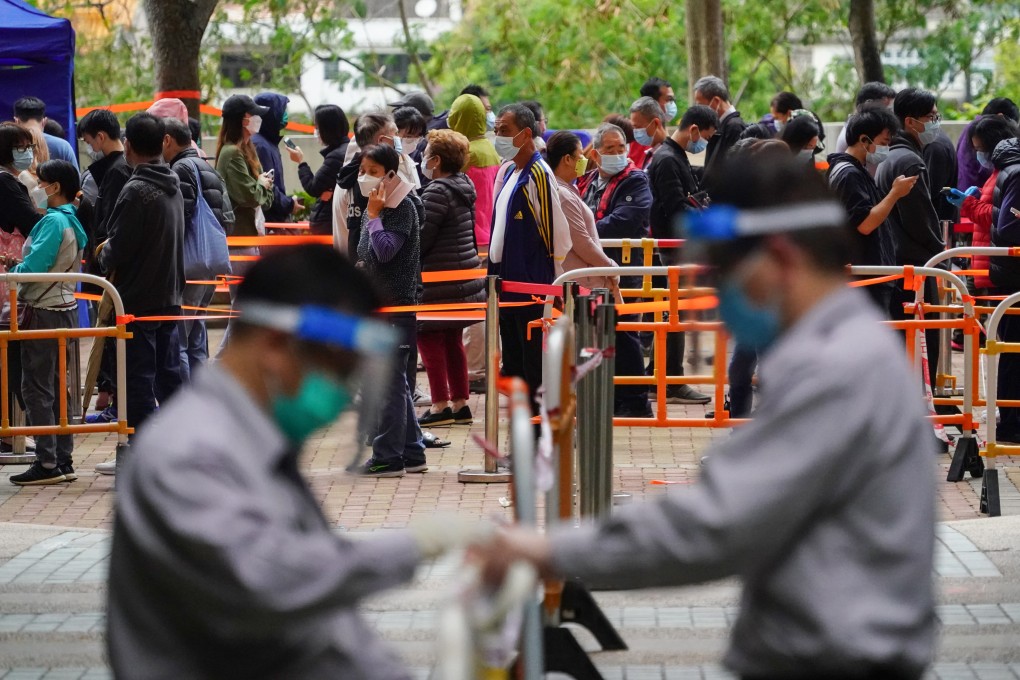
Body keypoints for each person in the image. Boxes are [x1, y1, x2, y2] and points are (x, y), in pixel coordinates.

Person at [474, 157, 937, 680]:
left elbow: (717, 519)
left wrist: (551, 549)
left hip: (837, 658)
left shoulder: (835, 368)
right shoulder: (841, 347)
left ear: (779, 258)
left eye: (726, 273)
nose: (719, 296)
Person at [106, 244, 490, 680]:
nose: (343, 393)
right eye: (339, 369)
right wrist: (415, 546)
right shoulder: (191, 453)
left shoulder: (256, 444)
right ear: (276, 345)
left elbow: (328, 633)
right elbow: (271, 580)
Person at [96, 113, 185, 455]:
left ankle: (145, 449)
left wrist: (103, 254)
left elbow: (119, 247)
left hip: (137, 300)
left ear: (128, 145)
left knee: (138, 378)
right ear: (163, 142)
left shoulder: (135, 190)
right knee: (169, 374)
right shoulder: (173, 182)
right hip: (169, 294)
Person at [4, 161, 86, 485]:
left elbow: (36, 267)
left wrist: (14, 272)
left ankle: (47, 461)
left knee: (36, 387)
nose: (36, 188)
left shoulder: (52, 222)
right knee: (56, 386)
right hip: (64, 308)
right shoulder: (72, 220)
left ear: (54, 187)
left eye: (41, 182)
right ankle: (61, 459)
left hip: (42, 310)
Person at [489, 103, 571, 406]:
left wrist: (550, 285)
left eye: (505, 131)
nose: (499, 137)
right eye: (497, 131)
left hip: (531, 291)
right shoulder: (511, 171)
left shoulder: (538, 174)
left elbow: (558, 236)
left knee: (533, 370)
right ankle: (524, 443)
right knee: (514, 370)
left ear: (525, 134)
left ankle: (541, 441)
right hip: (507, 288)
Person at [354, 144, 427, 477]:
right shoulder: (380, 206)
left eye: (372, 171)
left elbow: (384, 252)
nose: (364, 177)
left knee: (390, 385)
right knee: (393, 381)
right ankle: (411, 451)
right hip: (378, 307)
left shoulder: (400, 207)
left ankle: (387, 456)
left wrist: (372, 218)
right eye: (362, 170)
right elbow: (367, 253)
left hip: (396, 307)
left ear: (391, 174)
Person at [645, 105, 718, 405]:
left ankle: (660, 376)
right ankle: (671, 380)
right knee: (673, 315)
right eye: (706, 138)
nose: (705, 144)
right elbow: (677, 208)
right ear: (694, 131)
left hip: (677, 248)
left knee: (673, 315)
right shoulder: (666, 159)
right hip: (671, 250)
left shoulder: (674, 156)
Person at [579, 123, 652, 417]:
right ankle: (613, 398)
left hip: (624, 268)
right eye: (610, 148)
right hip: (593, 270)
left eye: (621, 147)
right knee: (601, 333)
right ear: (596, 154)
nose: (618, 153)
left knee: (624, 332)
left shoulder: (636, 181)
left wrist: (582, 236)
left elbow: (625, 220)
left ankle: (637, 401)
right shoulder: (587, 181)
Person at [875, 87, 945, 391]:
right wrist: (940, 251)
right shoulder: (910, 162)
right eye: (930, 117)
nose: (935, 122)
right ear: (910, 121)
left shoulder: (892, 156)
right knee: (919, 346)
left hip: (899, 260)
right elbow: (921, 220)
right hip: (915, 265)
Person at [416, 130, 485, 427]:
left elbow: (422, 238)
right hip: (462, 277)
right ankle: (460, 402)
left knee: (428, 336)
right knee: (452, 338)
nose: (422, 159)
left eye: (427, 153)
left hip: (437, 280)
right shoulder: (463, 185)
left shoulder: (435, 192)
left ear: (437, 159)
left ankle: (440, 404)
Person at [162, 117, 235, 381]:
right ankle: (201, 400)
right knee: (196, 337)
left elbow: (180, 217)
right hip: (209, 264)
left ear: (167, 140)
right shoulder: (208, 167)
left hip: (188, 265)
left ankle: (183, 403)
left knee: (179, 341)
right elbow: (228, 217)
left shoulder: (180, 169)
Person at [827, 105, 918, 313]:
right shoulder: (849, 174)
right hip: (865, 278)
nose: (887, 148)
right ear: (864, 140)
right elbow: (865, 224)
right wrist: (895, 193)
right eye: (884, 143)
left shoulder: (852, 170)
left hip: (867, 275)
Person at [213, 95, 274, 357]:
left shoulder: (245, 151)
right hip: (239, 240)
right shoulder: (231, 153)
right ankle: (222, 362)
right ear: (242, 120)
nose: (257, 120)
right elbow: (250, 195)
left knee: (246, 305)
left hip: (250, 237)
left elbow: (264, 197)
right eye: (252, 115)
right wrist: (261, 186)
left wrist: (261, 187)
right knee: (245, 306)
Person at [448, 93, 500, 392]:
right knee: (486, 305)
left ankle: (476, 369)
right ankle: (485, 365)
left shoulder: (467, 153)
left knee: (472, 309)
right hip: (488, 236)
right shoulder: (490, 150)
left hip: (471, 238)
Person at [547, 130, 619, 306]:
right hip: (581, 283)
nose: (584, 160)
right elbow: (581, 242)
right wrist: (610, 267)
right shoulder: (563, 195)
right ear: (567, 159)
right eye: (580, 154)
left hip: (583, 279)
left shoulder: (566, 190)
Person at [954, 117, 1020, 300]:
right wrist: (979, 194)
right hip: (994, 265)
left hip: (1003, 268)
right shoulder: (1001, 170)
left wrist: (968, 204)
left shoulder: (1011, 171)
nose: (978, 155)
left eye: (980, 150)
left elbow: (1001, 218)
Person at [986, 130, 1020, 443]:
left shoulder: (1010, 169)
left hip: (1008, 273)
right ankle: (1011, 422)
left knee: (1012, 349)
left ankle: (1010, 419)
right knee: (1013, 350)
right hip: (1015, 275)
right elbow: (1011, 226)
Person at [333, 112, 406, 255]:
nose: (400, 139)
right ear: (382, 141)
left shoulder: (349, 174)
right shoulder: (372, 184)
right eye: (396, 134)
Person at [293, 104, 350, 235]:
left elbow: (313, 188)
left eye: (317, 128)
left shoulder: (336, 156)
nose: (316, 132)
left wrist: (301, 162)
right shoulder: (347, 149)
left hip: (329, 223)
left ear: (327, 129)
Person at [252, 92, 303, 224]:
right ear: (271, 113)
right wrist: (289, 204)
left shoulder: (268, 142)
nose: (285, 115)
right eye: (282, 110)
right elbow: (269, 184)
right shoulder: (260, 145)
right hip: (269, 221)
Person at [956, 98, 1019, 192]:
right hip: (975, 196)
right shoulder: (983, 133)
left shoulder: (973, 128)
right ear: (1000, 117)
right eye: (1011, 124)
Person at [693, 75, 746, 183]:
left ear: (716, 101)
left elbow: (729, 172)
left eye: (700, 105)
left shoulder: (734, 127)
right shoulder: (721, 126)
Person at [12, 96, 78, 171]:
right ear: (44, 122)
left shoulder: (6, 145)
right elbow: (75, 180)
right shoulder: (62, 146)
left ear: (16, 121)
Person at [835, 81, 898, 158]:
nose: (889, 116)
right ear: (868, 104)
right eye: (886, 110)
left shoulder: (860, 133)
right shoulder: (850, 139)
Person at [0, 122, 41, 239]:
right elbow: (31, 221)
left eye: (29, 146)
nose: (28, 152)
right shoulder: (4, 181)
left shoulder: (10, 178)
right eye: (21, 148)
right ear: (4, 149)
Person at [628, 96, 668, 169]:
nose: (635, 132)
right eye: (634, 128)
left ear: (655, 123)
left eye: (638, 127)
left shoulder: (666, 159)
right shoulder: (652, 153)